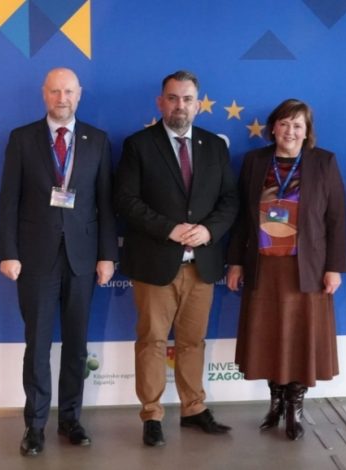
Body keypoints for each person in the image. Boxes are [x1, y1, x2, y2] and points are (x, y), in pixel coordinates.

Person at [0, 67, 117, 456]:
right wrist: (8, 252)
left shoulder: (98, 140)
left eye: (68, 91)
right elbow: (8, 200)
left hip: (82, 258)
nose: (61, 98)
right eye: (54, 91)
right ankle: (34, 426)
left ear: (79, 95)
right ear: (44, 94)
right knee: (37, 345)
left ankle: (70, 419)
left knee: (77, 345)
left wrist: (107, 255)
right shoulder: (22, 138)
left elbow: (106, 203)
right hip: (34, 259)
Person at [114, 70, 239, 447]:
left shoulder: (214, 146)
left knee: (193, 341)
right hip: (155, 263)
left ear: (197, 104)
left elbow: (230, 200)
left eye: (187, 99)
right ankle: (151, 415)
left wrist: (208, 231)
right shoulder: (138, 145)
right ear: (160, 102)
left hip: (201, 265)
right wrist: (168, 228)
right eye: (172, 98)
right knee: (151, 341)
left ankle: (193, 408)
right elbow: (126, 200)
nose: (179, 106)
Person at [227, 98, 346, 440]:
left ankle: (295, 405)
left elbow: (337, 218)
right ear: (273, 128)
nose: (290, 131)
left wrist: (334, 267)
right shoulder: (254, 161)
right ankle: (276, 402)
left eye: (297, 125)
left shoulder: (324, 162)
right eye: (284, 124)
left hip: (306, 269)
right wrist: (235, 262)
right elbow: (242, 218)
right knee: (267, 337)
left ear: (307, 131)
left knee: (299, 337)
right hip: (264, 266)